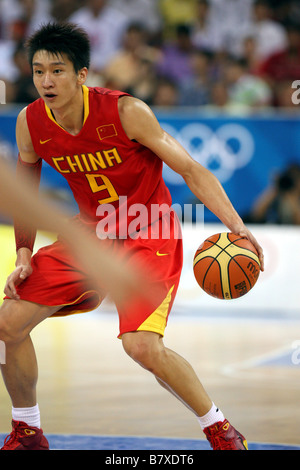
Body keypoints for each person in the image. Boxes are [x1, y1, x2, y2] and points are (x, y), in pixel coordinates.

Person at [0, 22, 264, 451]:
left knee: (141, 346)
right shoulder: (30, 122)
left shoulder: (126, 111)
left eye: (58, 71)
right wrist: (25, 252)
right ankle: (27, 430)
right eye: (38, 71)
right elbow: (24, 191)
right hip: (89, 235)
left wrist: (237, 227)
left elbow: (191, 170)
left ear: (82, 75)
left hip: (149, 232)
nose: (46, 81)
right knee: (7, 325)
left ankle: (221, 430)